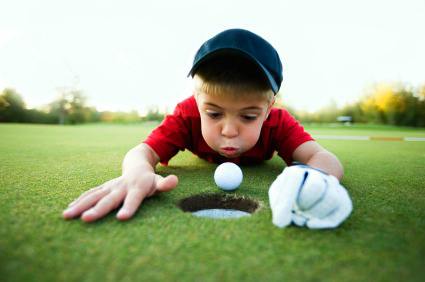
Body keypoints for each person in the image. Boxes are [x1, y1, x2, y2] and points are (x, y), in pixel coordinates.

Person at [63, 29, 352, 228]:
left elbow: (326, 160)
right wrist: (137, 172)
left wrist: (312, 181)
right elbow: (143, 153)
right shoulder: (186, 114)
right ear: (197, 100)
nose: (228, 130)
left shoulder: (278, 122)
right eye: (213, 113)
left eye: (248, 117)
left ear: (268, 107)